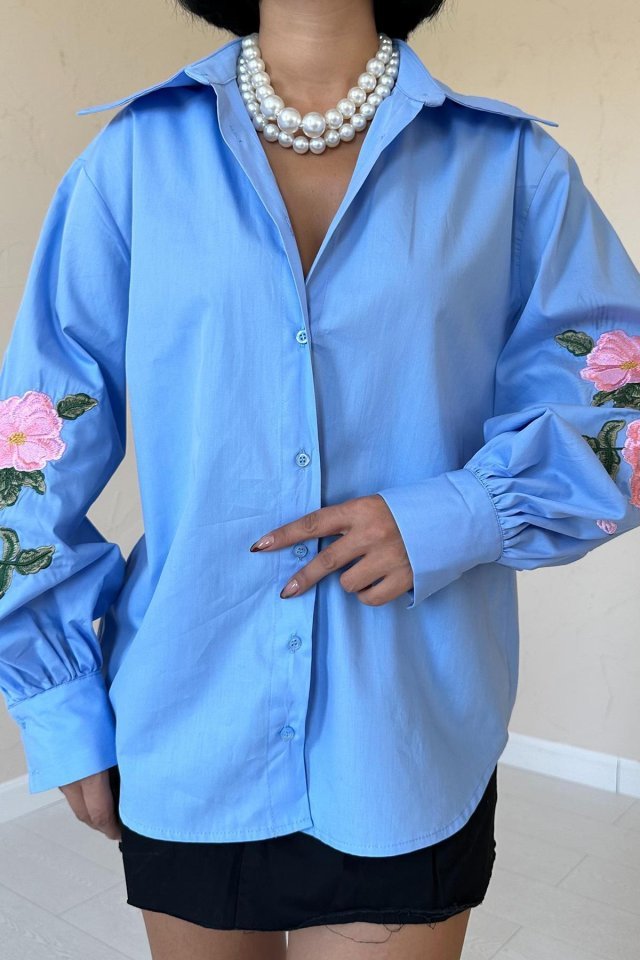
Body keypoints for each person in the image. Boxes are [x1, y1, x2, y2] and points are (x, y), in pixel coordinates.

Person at [2, 1, 639, 958]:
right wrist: (56, 699)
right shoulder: (134, 160)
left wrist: (458, 513)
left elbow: (621, 406)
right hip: (189, 716)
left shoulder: (510, 168)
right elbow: (31, 445)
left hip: (408, 736)